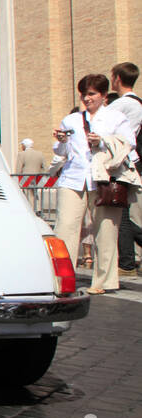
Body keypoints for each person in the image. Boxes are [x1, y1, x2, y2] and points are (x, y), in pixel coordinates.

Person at [52, 73, 140, 293]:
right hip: (73, 178)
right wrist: (62, 141)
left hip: (104, 180)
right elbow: (63, 153)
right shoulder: (71, 119)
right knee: (65, 228)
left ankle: (104, 281)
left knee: (106, 231)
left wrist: (103, 141)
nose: (87, 98)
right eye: (84, 94)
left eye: (92, 94)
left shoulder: (115, 117)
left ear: (103, 95)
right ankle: (62, 280)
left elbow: (128, 144)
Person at [109, 62, 142, 275]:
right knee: (127, 213)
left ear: (117, 79)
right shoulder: (137, 102)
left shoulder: (122, 105)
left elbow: (101, 123)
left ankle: (127, 262)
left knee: (123, 213)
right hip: (131, 161)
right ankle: (128, 261)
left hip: (125, 163)